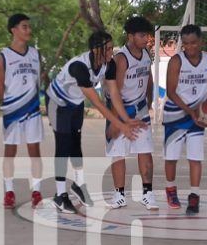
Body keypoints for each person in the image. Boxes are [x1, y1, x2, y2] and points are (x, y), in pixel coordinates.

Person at [46, 31, 142, 214]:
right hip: (57, 102)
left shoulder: (109, 65)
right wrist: (120, 125)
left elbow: (114, 94)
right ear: (94, 50)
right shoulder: (79, 67)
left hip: (74, 102)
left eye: (111, 48)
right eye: (106, 49)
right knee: (64, 145)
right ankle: (60, 195)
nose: (110, 53)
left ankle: (78, 185)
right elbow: (98, 103)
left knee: (76, 143)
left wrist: (126, 120)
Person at [163, 24, 207, 215]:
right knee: (171, 157)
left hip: (198, 114)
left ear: (201, 42)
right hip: (175, 113)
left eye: (194, 43)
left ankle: (194, 196)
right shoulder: (176, 61)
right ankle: (171, 189)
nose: (190, 47)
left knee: (195, 157)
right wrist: (188, 110)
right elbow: (171, 92)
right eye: (187, 44)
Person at [106, 16, 158, 211]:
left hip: (140, 111)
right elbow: (114, 92)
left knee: (145, 150)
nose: (146, 38)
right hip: (121, 110)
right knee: (118, 153)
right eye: (142, 35)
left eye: (147, 35)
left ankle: (148, 194)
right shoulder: (122, 58)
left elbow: (149, 79)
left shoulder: (146, 53)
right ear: (130, 36)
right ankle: (119, 194)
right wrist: (114, 120)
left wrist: (149, 102)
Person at [0, 14, 44, 209]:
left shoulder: (35, 54)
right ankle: (8, 191)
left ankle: (37, 191)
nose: (28, 30)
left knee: (35, 151)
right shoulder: (3, 56)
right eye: (24, 27)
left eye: (29, 27)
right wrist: (9, 106)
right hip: (13, 110)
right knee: (10, 151)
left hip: (32, 110)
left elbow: (37, 81)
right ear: (13, 30)